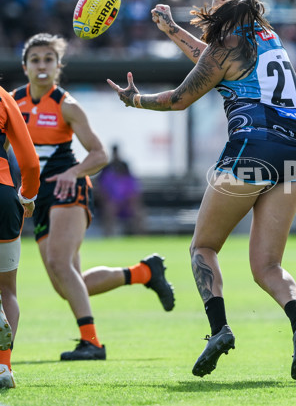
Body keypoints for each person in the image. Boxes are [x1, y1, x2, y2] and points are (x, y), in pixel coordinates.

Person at [107, 0, 296, 380]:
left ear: (218, 2)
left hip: (255, 148)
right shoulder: (268, 37)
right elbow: (213, 64)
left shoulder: (225, 46)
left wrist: (135, 100)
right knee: (268, 265)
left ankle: (219, 330)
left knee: (203, 247)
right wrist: (173, 29)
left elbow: (180, 98)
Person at [13, 33, 175, 361]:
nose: (42, 65)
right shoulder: (12, 104)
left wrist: (73, 173)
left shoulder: (67, 105)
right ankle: (144, 272)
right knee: (67, 285)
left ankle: (92, 343)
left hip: (69, 189)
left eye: (48, 59)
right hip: (37, 197)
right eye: (35, 60)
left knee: (60, 264)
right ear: (25, 66)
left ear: (58, 66)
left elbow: (99, 155)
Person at [0, 84, 40, 388]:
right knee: (8, 291)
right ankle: (3, 366)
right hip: (3, 197)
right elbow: (29, 162)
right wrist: (26, 197)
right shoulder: (4, 97)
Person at [95, 144, 145, 236]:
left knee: (138, 212)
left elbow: (134, 192)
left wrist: (128, 202)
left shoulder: (127, 173)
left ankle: (140, 238)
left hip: (127, 203)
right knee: (109, 209)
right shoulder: (107, 171)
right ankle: (109, 236)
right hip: (112, 203)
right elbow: (101, 190)